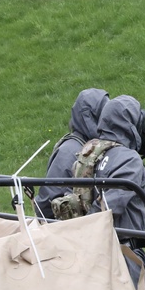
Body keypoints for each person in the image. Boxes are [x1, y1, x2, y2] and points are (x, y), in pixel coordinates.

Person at [82, 94, 145, 290]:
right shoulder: (128, 159)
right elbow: (109, 208)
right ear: (129, 124)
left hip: (89, 251)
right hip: (122, 253)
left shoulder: (91, 153)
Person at [35, 88, 109, 219]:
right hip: (67, 231)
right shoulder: (69, 151)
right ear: (90, 116)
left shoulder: (94, 148)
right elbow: (46, 203)